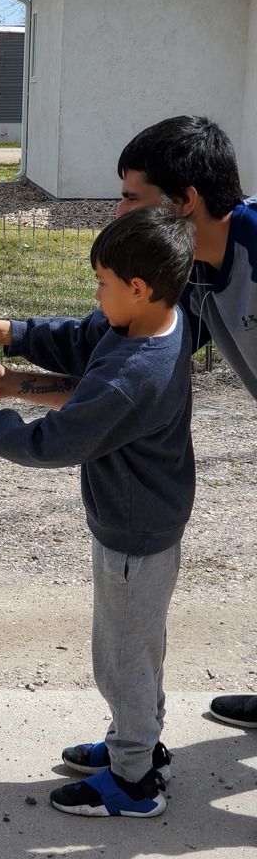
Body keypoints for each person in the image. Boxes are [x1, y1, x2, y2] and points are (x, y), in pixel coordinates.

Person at [0, 206, 196, 817]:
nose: (96, 296)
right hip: (148, 519)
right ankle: (139, 743)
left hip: (133, 534)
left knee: (123, 658)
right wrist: (13, 372)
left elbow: (53, 443)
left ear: (138, 288)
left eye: (102, 284)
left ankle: (134, 781)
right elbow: (85, 364)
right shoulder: (157, 325)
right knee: (138, 647)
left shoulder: (135, 374)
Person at [115, 115, 257, 728]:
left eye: (133, 198)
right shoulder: (193, 265)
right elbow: (132, 349)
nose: (120, 213)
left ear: (186, 200)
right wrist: (15, 345)